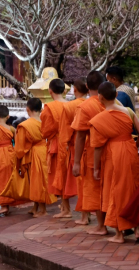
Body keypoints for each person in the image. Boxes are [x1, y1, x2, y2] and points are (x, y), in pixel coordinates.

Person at [89, 82, 139, 243]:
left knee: (116, 189)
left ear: (99, 97)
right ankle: (137, 229)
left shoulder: (99, 119)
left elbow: (98, 147)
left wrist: (96, 168)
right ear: (116, 95)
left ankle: (119, 233)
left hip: (114, 154)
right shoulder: (128, 111)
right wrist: (133, 146)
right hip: (130, 151)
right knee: (133, 187)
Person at [72, 71, 107, 235]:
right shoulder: (112, 102)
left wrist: (77, 161)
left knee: (95, 187)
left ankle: (101, 225)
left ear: (87, 86)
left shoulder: (85, 107)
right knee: (110, 186)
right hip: (113, 150)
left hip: (94, 151)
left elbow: (80, 136)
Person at [16, 98, 57, 217]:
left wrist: (18, 157)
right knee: (38, 180)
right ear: (41, 109)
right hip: (45, 149)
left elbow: (20, 147)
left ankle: (43, 210)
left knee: (38, 181)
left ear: (27, 109)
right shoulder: (46, 121)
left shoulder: (25, 125)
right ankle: (35, 207)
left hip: (34, 153)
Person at [55, 78, 89, 223]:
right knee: (91, 181)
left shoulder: (69, 107)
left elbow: (64, 133)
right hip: (94, 146)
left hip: (76, 147)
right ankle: (90, 214)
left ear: (74, 89)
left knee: (81, 180)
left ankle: (83, 215)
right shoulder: (95, 104)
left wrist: (64, 151)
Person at [40, 78, 68, 216]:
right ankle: (65, 206)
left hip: (57, 144)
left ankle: (66, 208)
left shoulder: (49, 108)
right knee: (67, 174)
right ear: (64, 90)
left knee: (60, 174)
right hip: (71, 143)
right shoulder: (71, 104)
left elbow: (45, 131)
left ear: (50, 91)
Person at [0, 106, 16, 215]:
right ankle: (6, 205)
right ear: (8, 116)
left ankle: (4, 205)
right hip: (10, 154)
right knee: (6, 179)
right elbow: (18, 143)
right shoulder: (11, 128)